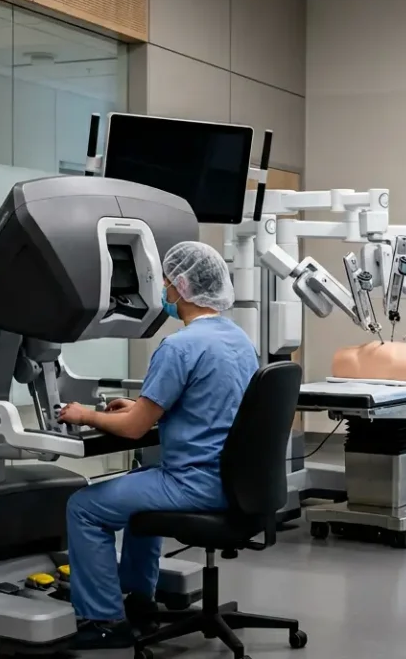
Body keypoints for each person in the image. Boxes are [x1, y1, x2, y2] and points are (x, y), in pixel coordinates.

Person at [56, 241, 259, 650]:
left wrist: (85, 415)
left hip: (195, 483)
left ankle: (104, 620)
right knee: (139, 488)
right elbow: (211, 402)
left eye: (165, 281)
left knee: (83, 507)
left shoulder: (180, 346)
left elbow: (132, 430)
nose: (161, 289)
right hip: (237, 480)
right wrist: (146, 405)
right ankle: (139, 600)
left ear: (181, 286)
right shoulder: (239, 341)